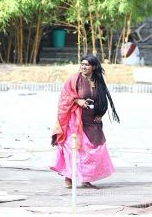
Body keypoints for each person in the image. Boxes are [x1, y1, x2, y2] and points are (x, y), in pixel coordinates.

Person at [50, 54, 119, 189]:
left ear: (93, 67)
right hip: (75, 121)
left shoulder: (98, 80)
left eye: (86, 65)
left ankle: (86, 178)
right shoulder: (74, 79)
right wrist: (77, 101)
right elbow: (65, 97)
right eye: (82, 64)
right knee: (74, 149)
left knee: (93, 150)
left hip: (92, 122)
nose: (83, 67)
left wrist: (100, 114)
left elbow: (102, 99)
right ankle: (68, 177)